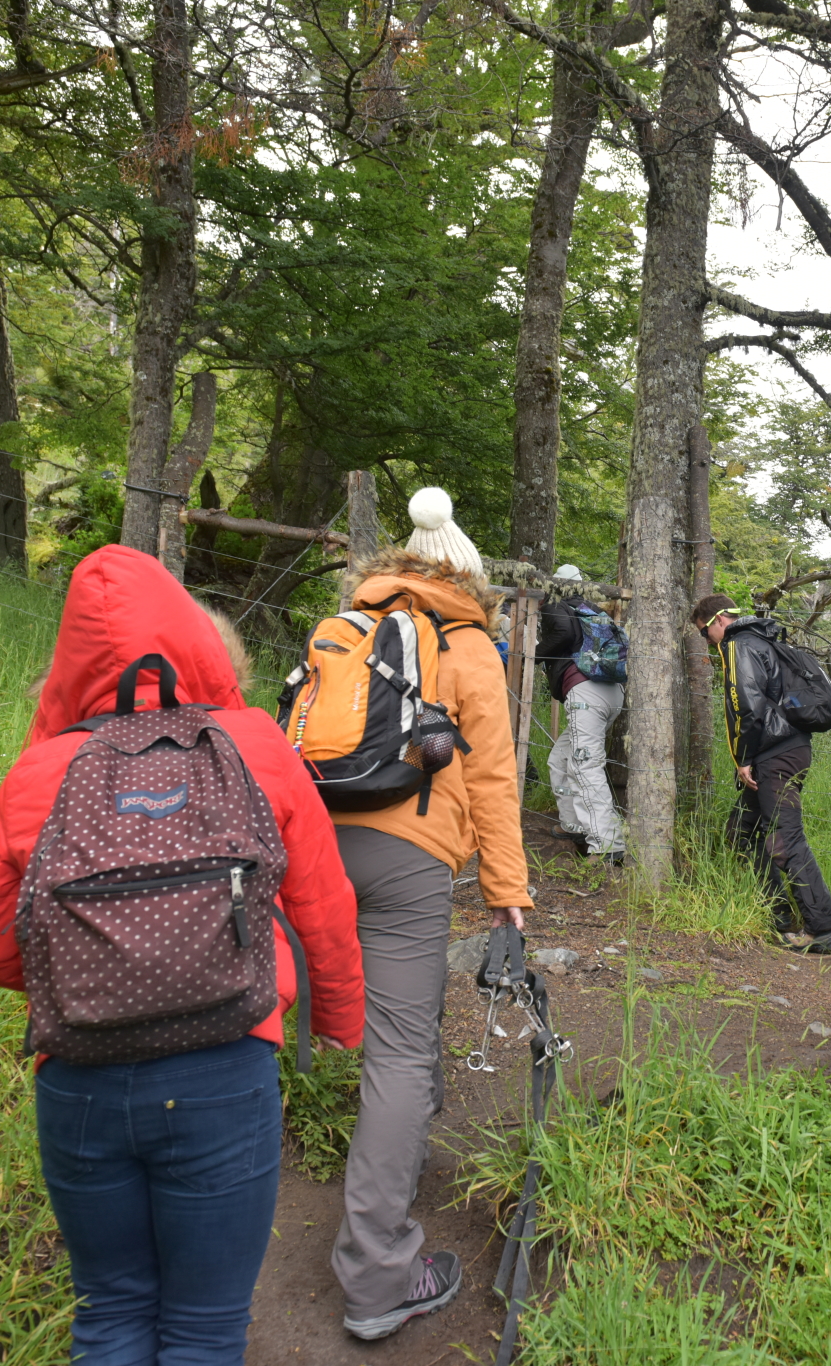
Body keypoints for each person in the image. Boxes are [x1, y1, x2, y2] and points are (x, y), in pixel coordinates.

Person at [0, 545, 368, 1365]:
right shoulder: (257, 747)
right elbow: (323, 908)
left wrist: (93, 980)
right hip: (224, 1070)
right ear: (198, 647)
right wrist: (339, 1023)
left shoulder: (40, 769)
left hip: (79, 1078)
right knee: (206, 1326)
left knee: (108, 1311)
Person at [328, 488, 535, 1340]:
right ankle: (379, 1277)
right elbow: (489, 777)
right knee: (402, 1054)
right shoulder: (467, 639)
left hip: (315, 839)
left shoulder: (347, 626)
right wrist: (509, 899)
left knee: (343, 1025)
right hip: (407, 852)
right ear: (470, 575)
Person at [691, 593, 831, 954]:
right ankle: (775, 913)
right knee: (742, 830)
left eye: (703, 633)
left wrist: (744, 757)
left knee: (784, 838)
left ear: (718, 621)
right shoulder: (761, 639)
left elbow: (747, 703)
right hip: (781, 750)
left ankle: (821, 928)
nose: (707, 641)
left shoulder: (739, 644)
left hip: (775, 754)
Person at [538, 564, 626, 865]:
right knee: (560, 759)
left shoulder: (554, 603)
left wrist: (535, 653)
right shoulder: (591, 608)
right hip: (611, 691)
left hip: (585, 693)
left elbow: (561, 632)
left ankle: (607, 846)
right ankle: (574, 825)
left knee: (584, 766)